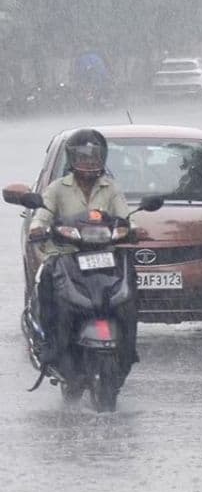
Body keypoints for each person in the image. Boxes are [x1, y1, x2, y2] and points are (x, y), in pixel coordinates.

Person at [28, 128, 133, 368]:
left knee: (129, 290)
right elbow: (43, 214)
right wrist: (39, 227)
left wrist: (134, 229)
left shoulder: (111, 188)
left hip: (106, 257)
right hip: (65, 256)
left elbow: (125, 216)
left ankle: (128, 347)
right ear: (72, 158)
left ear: (103, 158)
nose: (89, 161)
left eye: (94, 155)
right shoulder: (57, 188)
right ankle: (50, 342)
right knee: (45, 281)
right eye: (83, 156)